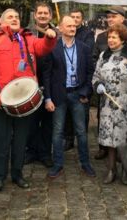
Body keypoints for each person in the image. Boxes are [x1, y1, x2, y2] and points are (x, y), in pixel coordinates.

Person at [0, 8, 57, 192]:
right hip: (1, 99)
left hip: (24, 100)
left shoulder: (28, 38)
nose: (15, 19)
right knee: (0, 141)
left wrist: (50, 37)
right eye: (10, 17)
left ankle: (17, 174)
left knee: (20, 140)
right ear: (2, 22)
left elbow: (43, 47)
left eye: (17, 16)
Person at [43, 15, 95, 178]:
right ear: (60, 28)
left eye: (74, 26)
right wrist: (48, 98)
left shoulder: (84, 48)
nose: (72, 28)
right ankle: (58, 164)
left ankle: (85, 164)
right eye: (69, 26)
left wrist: (86, 92)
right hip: (59, 95)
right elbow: (47, 75)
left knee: (81, 131)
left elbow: (89, 73)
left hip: (77, 94)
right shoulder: (52, 48)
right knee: (58, 132)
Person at [92, 24, 127, 185]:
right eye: (109, 37)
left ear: (122, 39)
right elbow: (95, 76)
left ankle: (126, 169)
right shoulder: (103, 56)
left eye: (114, 37)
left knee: (124, 138)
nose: (110, 40)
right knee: (109, 139)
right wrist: (97, 85)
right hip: (107, 104)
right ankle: (111, 169)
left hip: (125, 104)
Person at [25, 2, 55, 168]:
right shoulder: (27, 33)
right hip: (31, 82)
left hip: (50, 81)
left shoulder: (56, 33)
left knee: (48, 122)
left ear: (50, 16)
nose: (43, 16)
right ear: (35, 15)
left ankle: (45, 153)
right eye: (40, 13)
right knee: (31, 121)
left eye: (46, 13)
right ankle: (31, 151)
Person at [64, 9, 95, 151]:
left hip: (81, 81)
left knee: (83, 115)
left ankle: (82, 142)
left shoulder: (88, 33)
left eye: (78, 17)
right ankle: (69, 139)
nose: (75, 20)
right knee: (68, 115)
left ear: (82, 20)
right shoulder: (64, 33)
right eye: (72, 17)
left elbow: (87, 50)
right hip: (67, 82)